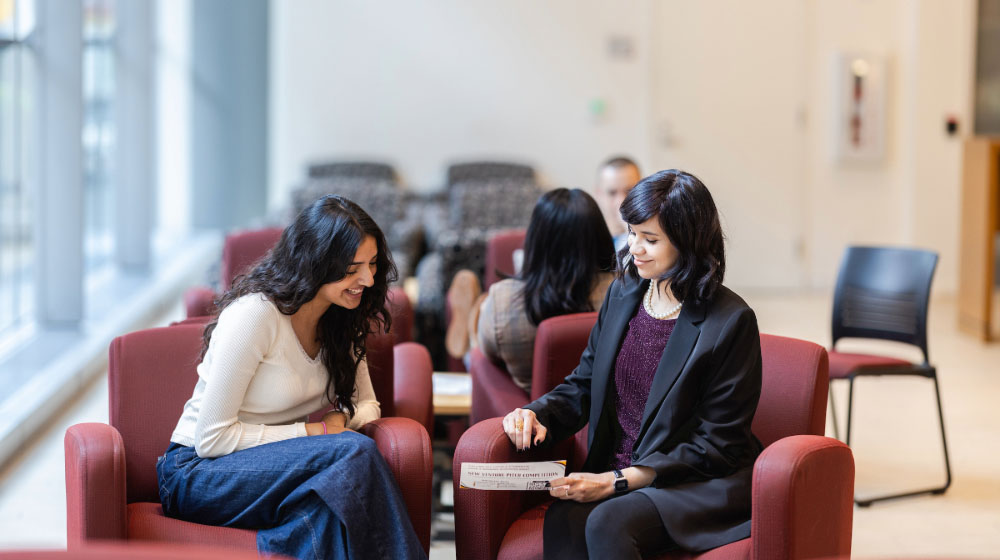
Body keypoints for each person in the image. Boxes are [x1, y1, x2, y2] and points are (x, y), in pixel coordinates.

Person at [502, 170, 762, 559]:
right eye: (632, 233)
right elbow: (585, 383)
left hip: (690, 481)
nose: (635, 247)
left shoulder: (730, 321)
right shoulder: (623, 293)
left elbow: (715, 446)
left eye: (650, 239)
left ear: (688, 242)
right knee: (566, 517)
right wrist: (535, 412)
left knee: (608, 521)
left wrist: (616, 482)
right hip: (619, 470)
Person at [157, 195, 425, 560]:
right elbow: (211, 439)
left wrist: (341, 418)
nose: (368, 279)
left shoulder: (343, 318)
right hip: (197, 473)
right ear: (316, 263)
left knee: (327, 512)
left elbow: (368, 405)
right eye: (352, 268)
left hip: (272, 470)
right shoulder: (256, 315)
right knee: (353, 453)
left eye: (373, 264)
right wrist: (314, 433)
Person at [445, 188, 616, 392]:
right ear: (600, 236)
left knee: (476, 350)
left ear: (535, 239)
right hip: (597, 410)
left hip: (527, 408)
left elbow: (490, 355)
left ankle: (470, 322)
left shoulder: (503, 299)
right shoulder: (625, 295)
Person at [594, 156, 642, 251]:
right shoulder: (590, 240)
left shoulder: (658, 235)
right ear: (598, 194)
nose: (621, 201)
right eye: (612, 193)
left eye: (629, 191)